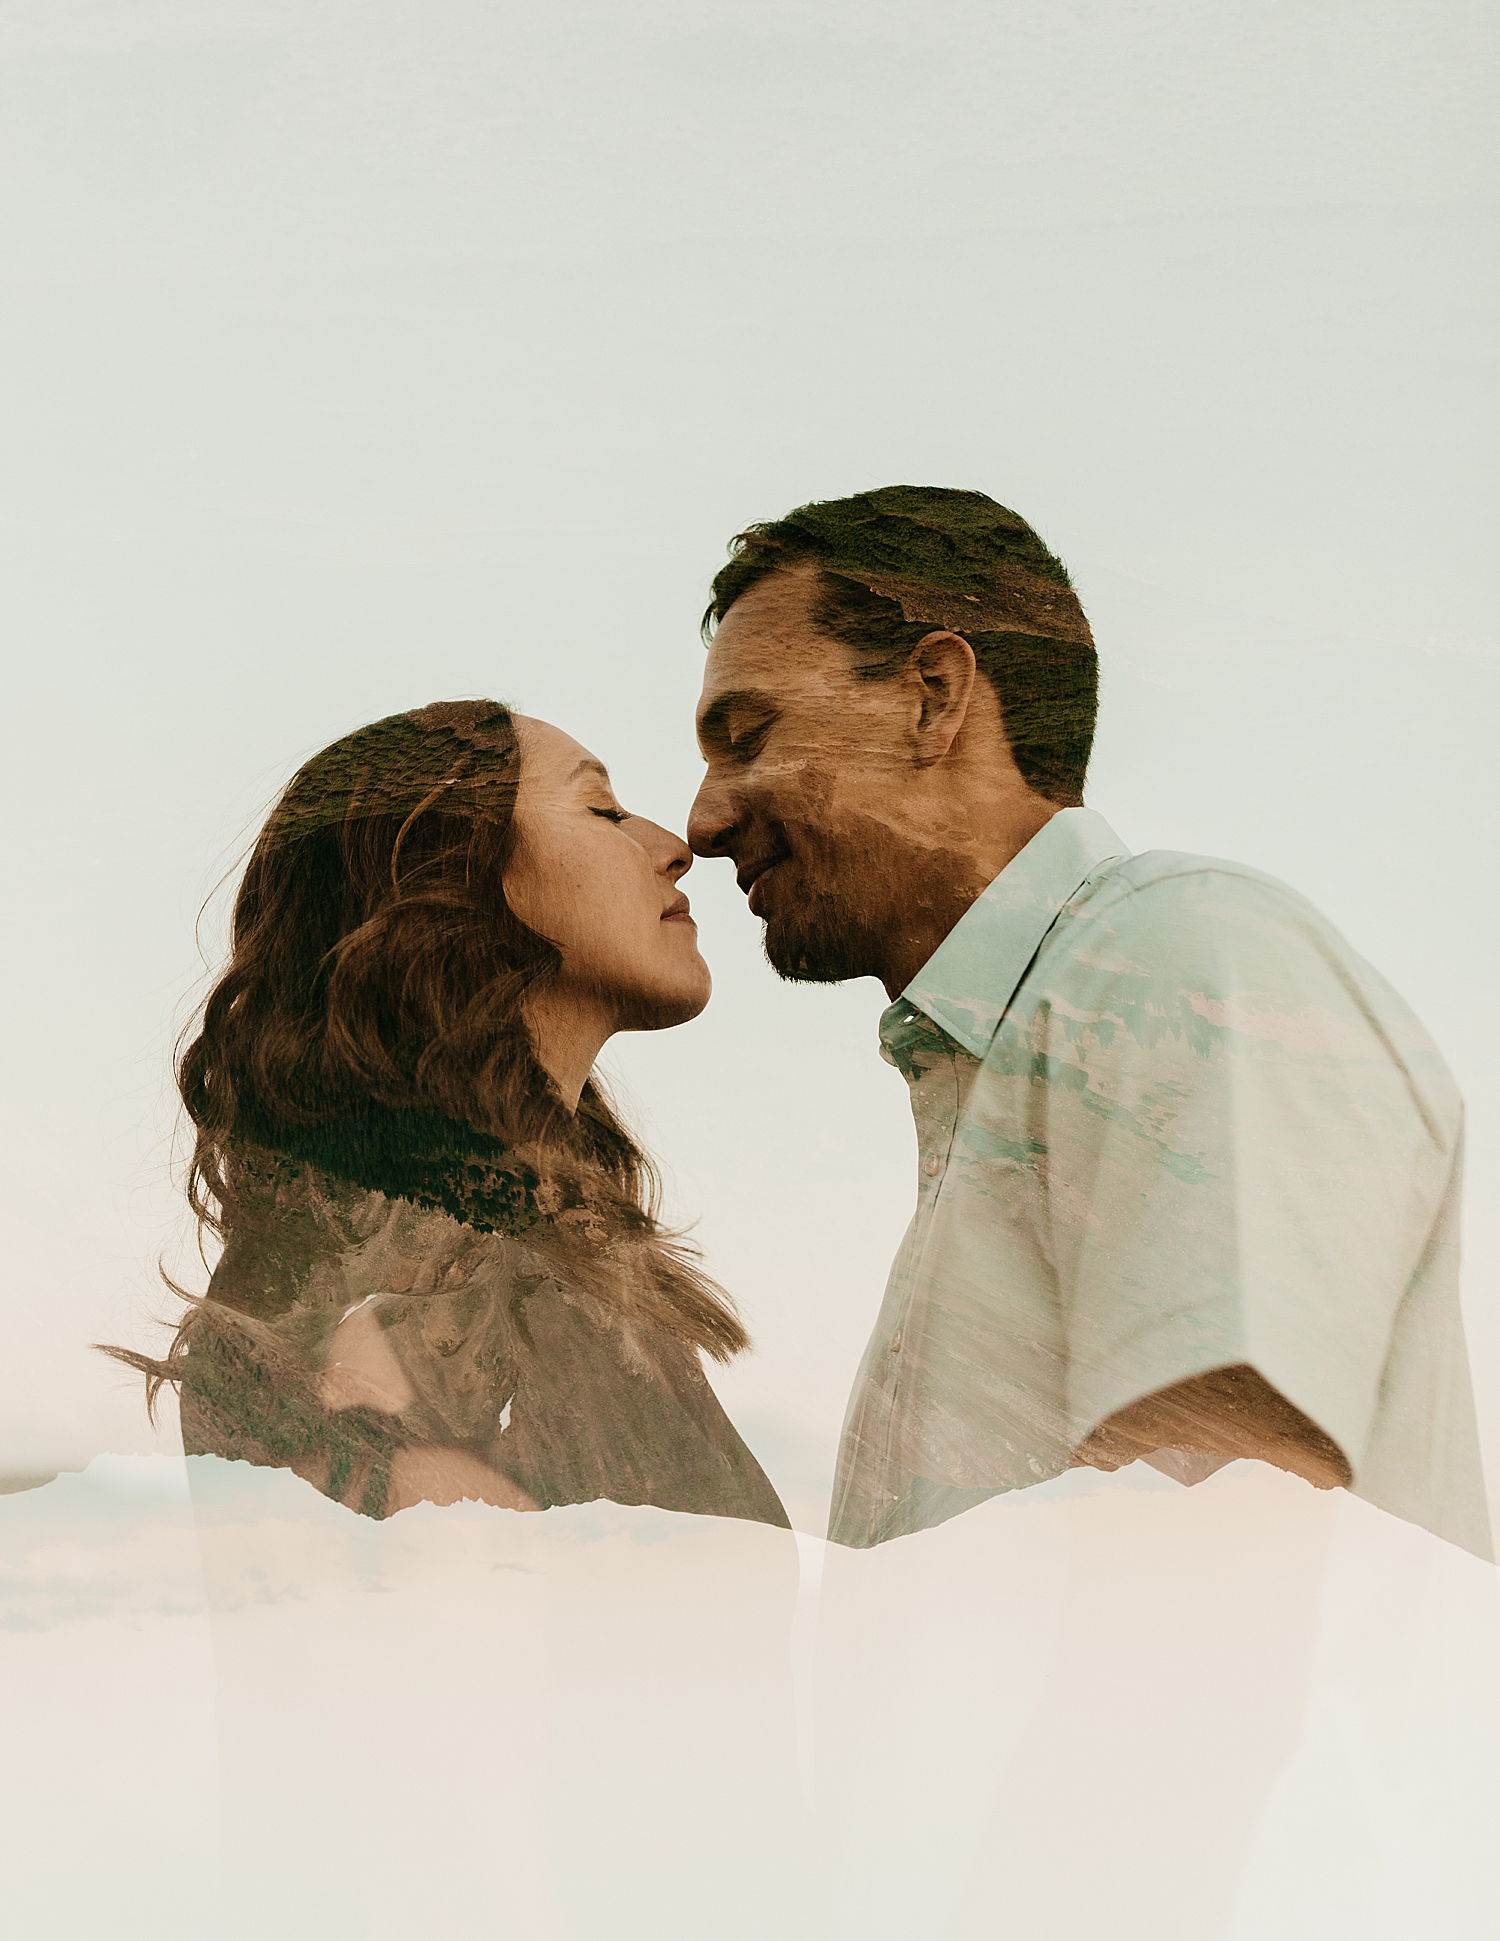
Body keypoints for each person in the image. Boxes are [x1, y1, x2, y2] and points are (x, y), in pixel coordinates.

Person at [687, 485, 1489, 1556]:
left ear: (933, 695)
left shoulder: (1178, 961)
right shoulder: (1032, 1040)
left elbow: (1216, 1554)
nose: (701, 820)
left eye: (747, 736)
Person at [105, 699, 787, 1527]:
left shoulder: (523, 1255)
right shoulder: (404, 1294)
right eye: (603, 810)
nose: (675, 848)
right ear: (457, 878)